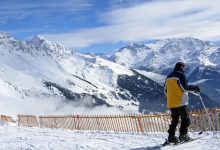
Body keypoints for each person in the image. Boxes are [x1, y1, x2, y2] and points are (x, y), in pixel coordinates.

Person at [164, 62, 200, 143]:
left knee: (175, 120)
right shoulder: (180, 75)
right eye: (184, 67)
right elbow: (185, 88)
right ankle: (183, 135)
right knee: (185, 119)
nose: (185, 69)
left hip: (171, 102)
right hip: (180, 101)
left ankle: (171, 137)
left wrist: (171, 97)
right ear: (181, 67)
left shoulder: (168, 77)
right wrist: (194, 88)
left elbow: (165, 90)